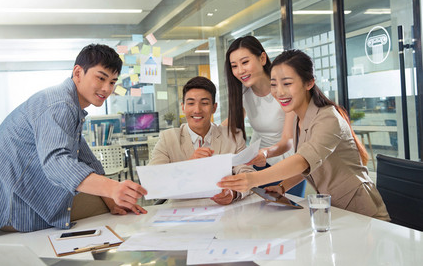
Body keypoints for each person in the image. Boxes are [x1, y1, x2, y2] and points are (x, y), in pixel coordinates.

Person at [0, 44, 147, 233]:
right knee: (104, 222)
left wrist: (112, 202)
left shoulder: (72, 105)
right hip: (10, 206)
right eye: (101, 78)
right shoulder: (59, 104)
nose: (106, 89)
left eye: (112, 82)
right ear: (78, 73)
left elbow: (87, 159)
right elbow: (56, 161)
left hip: (22, 195)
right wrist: (113, 189)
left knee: (104, 209)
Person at [218, 49, 390, 221]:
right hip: (335, 210)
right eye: (274, 84)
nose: (279, 92)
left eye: (287, 83)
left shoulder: (328, 118)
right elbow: (310, 166)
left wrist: (252, 179)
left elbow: (302, 161)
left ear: (309, 83)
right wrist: (282, 187)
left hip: (363, 212)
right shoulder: (298, 119)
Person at [149, 76, 254, 205]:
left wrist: (234, 193)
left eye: (204, 103)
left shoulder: (233, 137)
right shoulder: (168, 138)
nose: (197, 110)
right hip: (181, 212)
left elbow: (247, 173)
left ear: (214, 108)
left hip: (225, 211)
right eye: (191, 103)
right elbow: (153, 180)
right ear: (183, 107)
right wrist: (189, 165)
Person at [224, 36, 306, 196]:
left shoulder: (284, 89)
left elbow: (287, 140)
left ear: (262, 58)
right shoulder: (243, 93)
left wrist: (266, 153)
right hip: (256, 162)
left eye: (245, 62)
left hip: (287, 165)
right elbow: (232, 124)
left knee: (287, 215)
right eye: (234, 66)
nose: (240, 70)